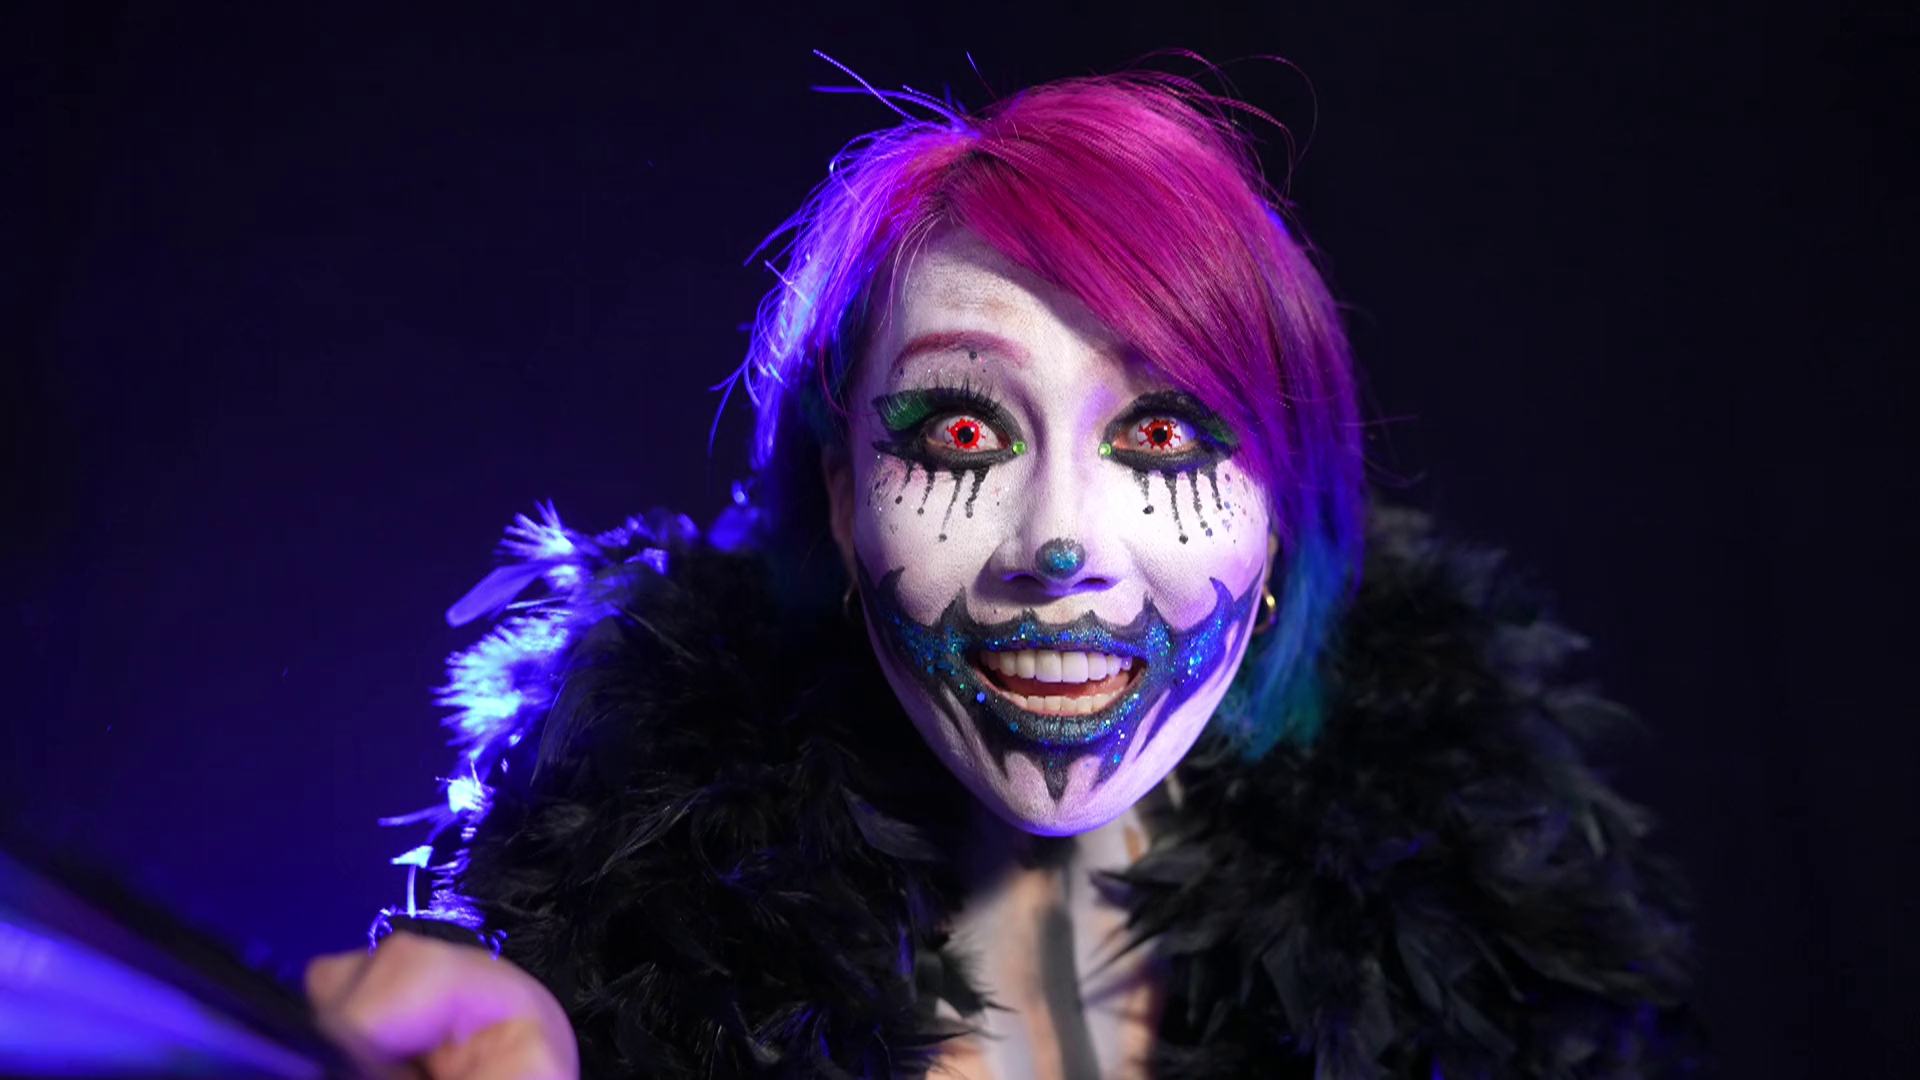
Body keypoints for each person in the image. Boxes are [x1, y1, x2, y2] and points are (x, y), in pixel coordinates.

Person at [305, 71, 1693, 1079]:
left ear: (1282, 513)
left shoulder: (1490, 951)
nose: (1059, 545)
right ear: (843, 500)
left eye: (1163, 434)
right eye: (962, 433)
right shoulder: (596, 950)